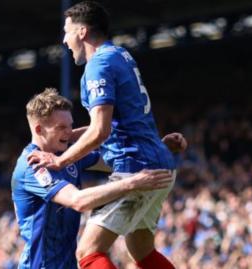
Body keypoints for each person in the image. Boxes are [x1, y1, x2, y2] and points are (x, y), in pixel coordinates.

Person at [27, 2, 187, 269]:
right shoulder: (120, 55)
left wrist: (60, 161)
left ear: (81, 31)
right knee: (141, 250)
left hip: (135, 169)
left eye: (66, 32)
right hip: (159, 163)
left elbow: (100, 130)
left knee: (88, 253)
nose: (64, 40)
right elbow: (117, 122)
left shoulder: (97, 66)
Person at [13, 88, 183, 269]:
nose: (69, 133)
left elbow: (117, 162)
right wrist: (132, 183)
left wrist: (154, 152)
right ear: (39, 129)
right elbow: (78, 200)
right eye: (61, 128)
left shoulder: (63, 155)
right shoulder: (33, 165)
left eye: (70, 125)